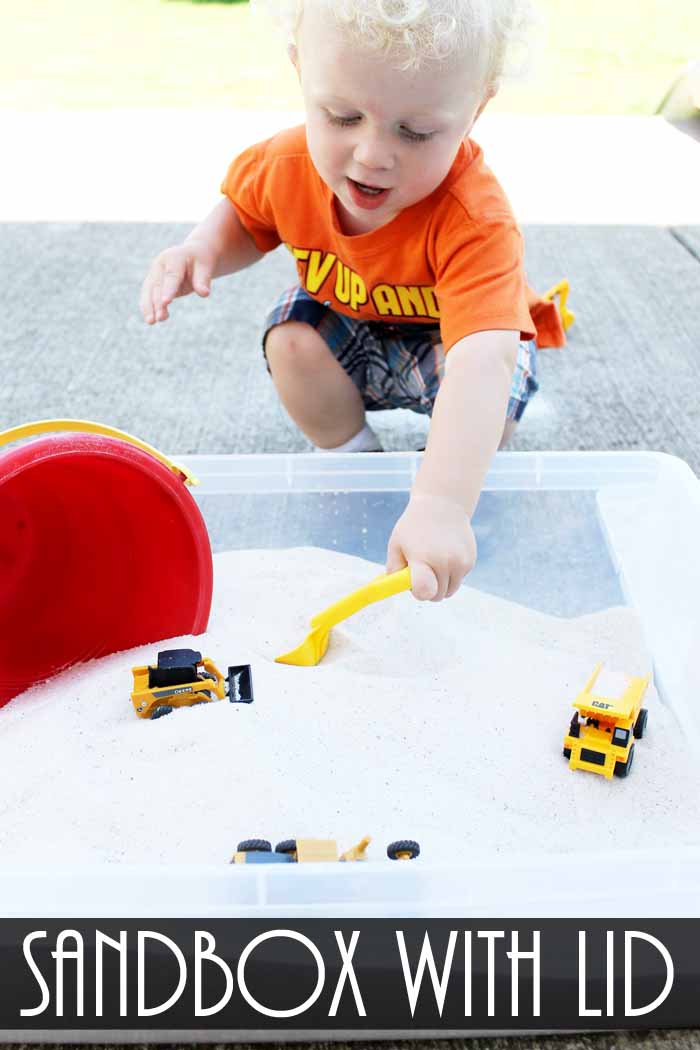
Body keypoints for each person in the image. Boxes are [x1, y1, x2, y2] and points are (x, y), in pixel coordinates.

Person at [139, 0, 568, 604]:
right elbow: (246, 215)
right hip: (351, 327)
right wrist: (201, 249)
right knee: (290, 335)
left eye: (415, 132)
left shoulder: (475, 215)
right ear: (300, 70)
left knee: (490, 396)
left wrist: (442, 502)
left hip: (449, 343)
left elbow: (482, 361)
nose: (372, 154)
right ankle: (351, 460)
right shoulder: (285, 165)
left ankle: (442, 471)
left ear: (476, 108)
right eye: (342, 116)